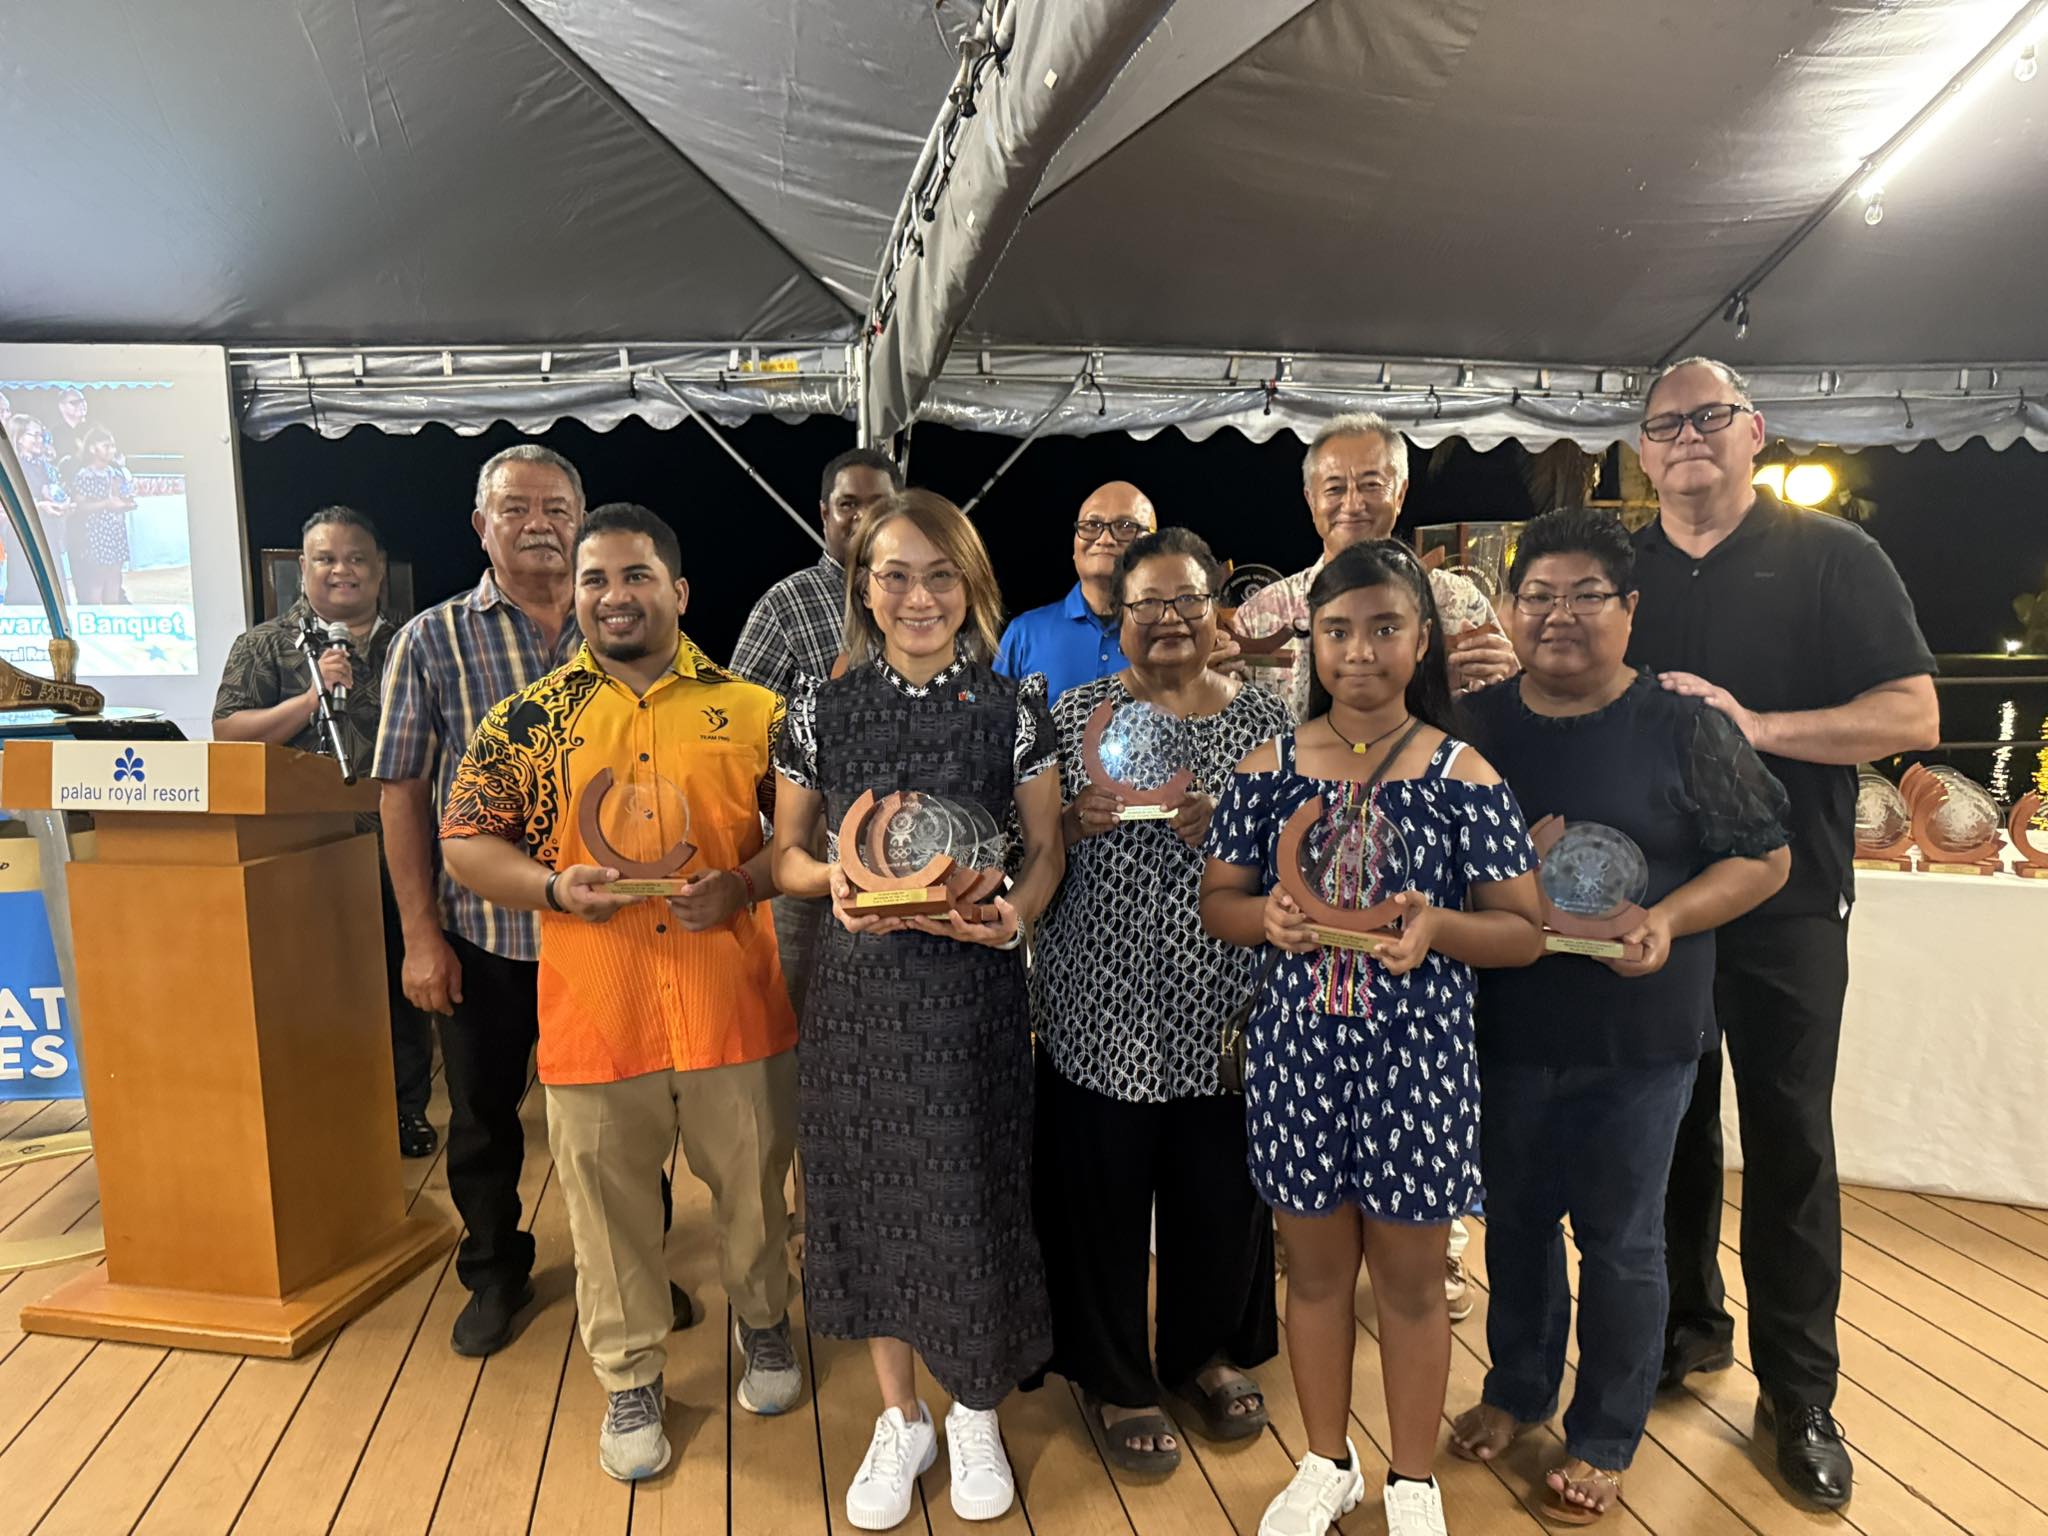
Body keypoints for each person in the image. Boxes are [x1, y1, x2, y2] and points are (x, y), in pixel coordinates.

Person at [1626, 358, 1938, 1509]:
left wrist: (1752, 725)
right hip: (1652, 897)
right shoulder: (1618, 570)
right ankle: (1683, 1329)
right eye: (1665, 424)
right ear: (1641, 451)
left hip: (1789, 897)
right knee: (1664, 1128)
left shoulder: (1831, 558)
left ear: (1753, 432)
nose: (1687, 436)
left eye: (1709, 416)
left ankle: (1799, 1395)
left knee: (1788, 1141)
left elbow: (1911, 712)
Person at [439, 503, 802, 1481]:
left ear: (677, 591)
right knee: (607, 1218)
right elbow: (465, 841)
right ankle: (631, 1377)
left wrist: (744, 884)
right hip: (597, 1017)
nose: (613, 595)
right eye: (594, 579)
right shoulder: (528, 720)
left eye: (635, 575)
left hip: (733, 1008)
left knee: (754, 1197)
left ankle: (766, 1325)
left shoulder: (754, 711)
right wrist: (552, 889)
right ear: (575, 596)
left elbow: (800, 840)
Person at [1447, 509, 1791, 1523]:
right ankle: (1517, 1389)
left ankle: (1603, 1434)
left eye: (1585, 595)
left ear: (1628, 609)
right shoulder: (1472, 727)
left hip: (1639, 1034)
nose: (1558, 615)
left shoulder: (1684, 723)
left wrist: (1669, 919)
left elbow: (1766, 855)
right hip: (1504, 1025)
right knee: (1514, 1224)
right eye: (1537, 596)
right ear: (1508, 608)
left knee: (1623, 1239)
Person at [1200, 540, 1545, 1536]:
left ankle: (1412, 1478)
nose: (1360, 651)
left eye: (1384, 628)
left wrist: (1438, 928)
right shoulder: (1265, 769)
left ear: (1421, 639)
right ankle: (1325, 1462)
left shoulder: (1460, 772)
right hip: (1297, 1055)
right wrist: (1264, 919)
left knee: (1410, 1282)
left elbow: (1522, 931)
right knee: (1312, 1275)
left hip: (1417, 1060)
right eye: (1339, 630)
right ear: (1311, 641)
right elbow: (1219, 900)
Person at [770, 489, 1066, 1530]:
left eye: (941, 575)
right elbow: (784, 853)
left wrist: (1016, 917)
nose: (918, 596)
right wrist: (831, 884)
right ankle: (901, 1417)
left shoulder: (1012, 708)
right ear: (863, 587)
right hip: (858, 999)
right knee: (867, 1200)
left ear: (971, 586)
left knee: (975, 1193)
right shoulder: (818, 707)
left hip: (972, 995)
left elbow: (1046, 849)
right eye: (894, 574)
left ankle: (974, 1406)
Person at [374, 444, 697, 1358]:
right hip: (486, 933)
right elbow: (401, 793)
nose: (539, 525)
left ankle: (637, 1266)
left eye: (558, 508)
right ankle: (494, 1270)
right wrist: (420, 938)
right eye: (515, 508)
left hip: (616, 931)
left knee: (631, 1114)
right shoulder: (430, 639)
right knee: (483, 1119)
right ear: (482, 526)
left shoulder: (626, 631)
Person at [1231, 415, 1519, 1317]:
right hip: (1299, 905)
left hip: (1424, 875)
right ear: (1309, 498)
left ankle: (1440, 1250)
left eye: (1370, 483)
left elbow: (1500, 712)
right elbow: (1226, 715)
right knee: (1317, 1263)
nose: (1353, 501)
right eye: (1334, 485)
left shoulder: (1461, 602)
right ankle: (1318, 1251)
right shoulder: (1267, 611)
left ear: (1400, 491)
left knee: (1414, 1253)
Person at [1031, 527, 1292, 1475]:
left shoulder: (1267, 722)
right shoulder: (1073, 716)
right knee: (1099, 1195)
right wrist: (1067, 821)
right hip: (1097, 1003)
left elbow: (1304, 858)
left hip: (1223, 1002)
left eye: (1187, 599)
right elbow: (1027, 851)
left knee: (1219, 1191)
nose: (1169, 619)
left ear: (1216, 605)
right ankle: (1113, 1375)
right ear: (1121, 616)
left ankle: (1202, 1352)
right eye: (1147, 603)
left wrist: (1238, 834)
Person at [213, 506, 435, 1157]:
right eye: (326, 559)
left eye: (357, 558)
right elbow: (229, 733)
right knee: (311, 984)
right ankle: (317, 1107)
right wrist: (310, 702)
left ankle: (405, 1109)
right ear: (303, 568)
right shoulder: (263, 645)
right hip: (299, 850)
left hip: (398, 845)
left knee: (399, 982)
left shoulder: (415, 642)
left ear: (379, 570)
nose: (343, 570)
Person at [730, 445, 902, 1020]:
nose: (862, 516)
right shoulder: (786, 604)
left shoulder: (923, 600)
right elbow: (738, 728)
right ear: (825, 514)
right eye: (848, 504)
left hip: (912, 858)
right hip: (808, 867)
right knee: (795, 1018)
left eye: (878, 503)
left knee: (896, 1021)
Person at [994, 481, 1159, 704]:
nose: (1105, 539)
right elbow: (991, 722)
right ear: (1074, 547)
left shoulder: (1173, 635)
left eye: (1125, 526)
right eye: (1092, 525)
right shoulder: (1024, 635)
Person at [63, 424, 134, 605]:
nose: (111, 450)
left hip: (115, 531)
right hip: (96, 533)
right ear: (93, 449)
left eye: (113, 446)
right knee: (97, 579)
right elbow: (80, 507)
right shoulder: (85, 475)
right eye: (106, 446)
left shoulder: (114, 473)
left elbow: (118, 497)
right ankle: (96, 614)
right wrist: (106, 504)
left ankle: (112, 613)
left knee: (115, 575)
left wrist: (125, 503)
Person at [4, 415, 68, 606]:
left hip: (47, 531)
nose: (40, 440)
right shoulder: (12, 466)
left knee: (52, 582)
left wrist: (62, 503)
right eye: (35, 435)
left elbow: (49, 491)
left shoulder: (42, 466)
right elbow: (11, 502)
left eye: (42, 435)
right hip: (22, 534)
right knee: (26, 583)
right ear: (19, 437)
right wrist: (40, 506)